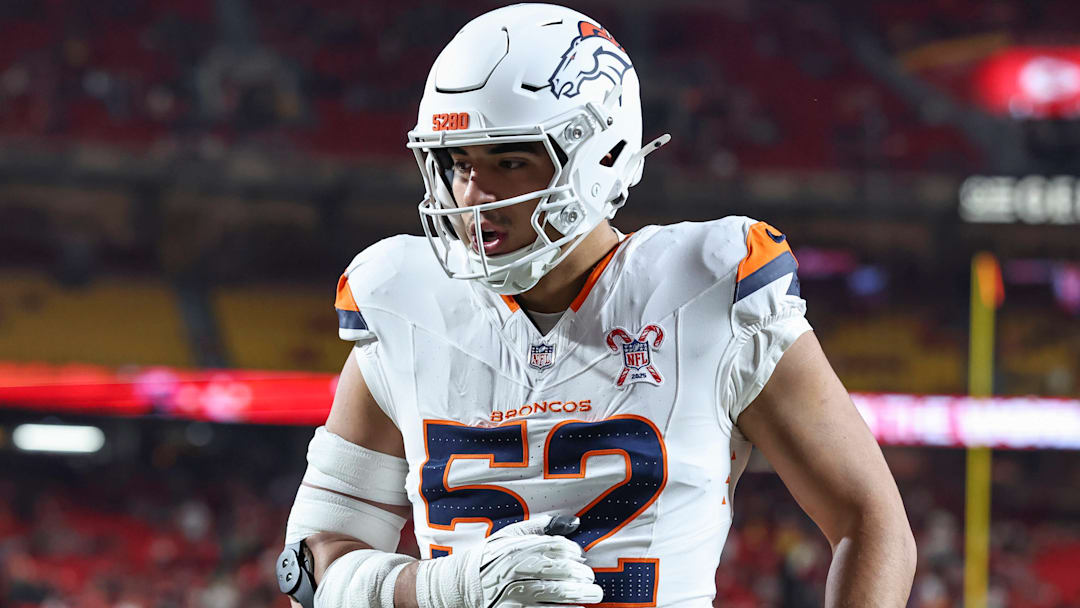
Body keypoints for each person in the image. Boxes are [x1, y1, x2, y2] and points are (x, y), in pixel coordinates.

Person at [278, 4, 916, 608]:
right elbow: (310, 566)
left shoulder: (711, 290)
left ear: (600, 157)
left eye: (509, 160)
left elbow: (871, 522)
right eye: (456, 162)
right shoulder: (405, 302)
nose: (473, 194)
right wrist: (446, 589)